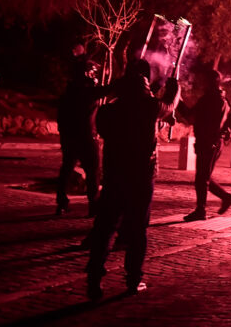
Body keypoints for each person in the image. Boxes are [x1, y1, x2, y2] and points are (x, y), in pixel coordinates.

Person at [86, 59, 180, 299]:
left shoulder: (108, 111)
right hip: (140, 177)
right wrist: (174, 87)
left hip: (115, 175)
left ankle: (94, 279)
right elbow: (168, 106)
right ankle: (133, 278)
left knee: (105, 228)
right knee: (138, 229)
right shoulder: (149, 107)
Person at [56, 60, 109, 217]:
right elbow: (110, 89)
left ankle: (61, 201)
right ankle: (93, 204)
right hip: (86, 138)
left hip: (69, 137)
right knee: (93, 172)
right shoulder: (87, 92)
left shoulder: (67, 93)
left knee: (66, 168)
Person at [182, 70, 231, 222]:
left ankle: (201, 210)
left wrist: (176, 99)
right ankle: (226, 197)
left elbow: (189, 116)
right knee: (203, 177)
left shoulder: (209, 99)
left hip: (208, 142)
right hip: (216, 143)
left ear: (209, 82)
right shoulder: (225, 99)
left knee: (202, 178)